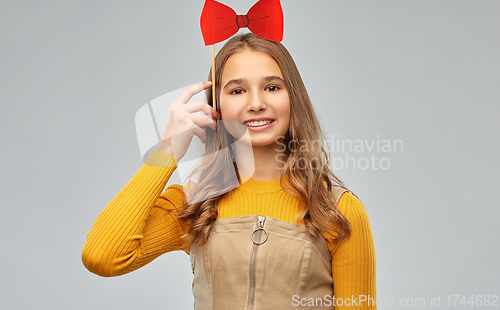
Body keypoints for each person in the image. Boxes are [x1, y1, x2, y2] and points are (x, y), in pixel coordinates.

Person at [82, 32, 377, 309]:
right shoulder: (194, 203)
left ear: (293, 99)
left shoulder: (336, 209)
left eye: (272, 87)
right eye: (237, 90)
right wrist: (167, 151)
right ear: (215, 107)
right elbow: (103, 257)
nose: (257, 103)